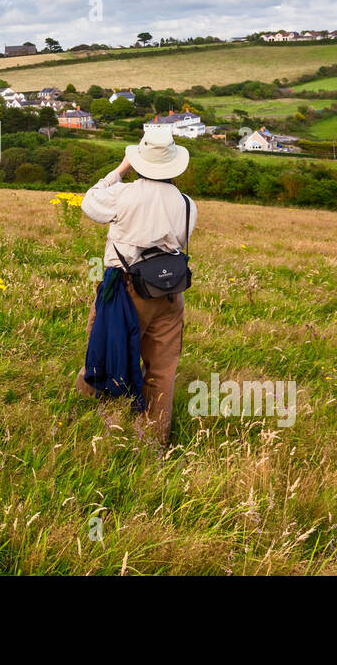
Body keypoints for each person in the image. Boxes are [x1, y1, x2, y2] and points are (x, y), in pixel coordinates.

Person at [75, 126, 196, 444]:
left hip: (126, 291)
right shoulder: (186, 203)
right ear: (172, 163)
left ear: (140, 160)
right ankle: (153, 442)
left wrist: (120, 169)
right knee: (162, 369)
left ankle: (101, 424)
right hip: (170, 293)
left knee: (104, 354)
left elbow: (89, 202)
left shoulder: (123, 194)